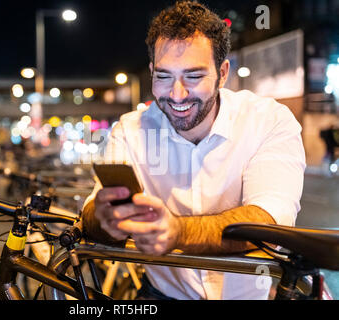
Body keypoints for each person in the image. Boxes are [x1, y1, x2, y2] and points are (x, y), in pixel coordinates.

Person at [81, 1, 306, 300]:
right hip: (160, 295)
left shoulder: (267, 121)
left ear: (223, 73)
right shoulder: (131, 130)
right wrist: (106, 218)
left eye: (194, 76)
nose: (177, 94)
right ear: (151, 72)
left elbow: (268, 222)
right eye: (163, 76)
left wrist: (178, 232)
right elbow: (92, 214)